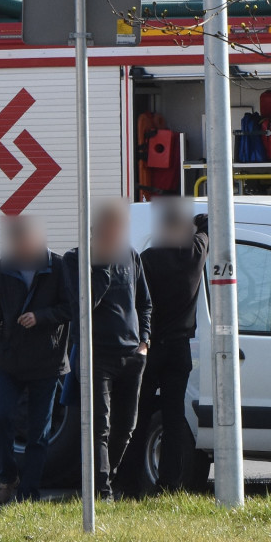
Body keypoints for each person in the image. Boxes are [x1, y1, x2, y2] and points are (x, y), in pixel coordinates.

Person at [64, 200, 152, 501]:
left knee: (125, 427)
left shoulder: (130, 256)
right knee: (98, 426)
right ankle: (101, 493)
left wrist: (144, 341)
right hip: (95, 355)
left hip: (131, 355)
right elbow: (82, 307)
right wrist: (100, 268)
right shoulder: (75, 260)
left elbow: (145, 303)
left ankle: (103, 480)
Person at [0, 215, 72, 503]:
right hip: (11, 360)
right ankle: (7, 478)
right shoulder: (3, 268)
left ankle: (29, 491)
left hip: (47, 362)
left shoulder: (58, 267)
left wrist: (41, 317)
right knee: (1, 418)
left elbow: (71, 307)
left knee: (39, 431)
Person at [136, 201, 209, 493]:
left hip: (151, 346)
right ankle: (169, 483)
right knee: (174, 417)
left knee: (139, 415)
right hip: (180, 348)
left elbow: (138, 302)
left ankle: (130, 482)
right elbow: (206, 224)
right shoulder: (196, 253)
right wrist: (194, 222)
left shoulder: (147, 259)